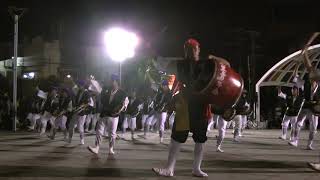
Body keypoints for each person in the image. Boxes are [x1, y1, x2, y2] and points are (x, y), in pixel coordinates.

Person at [152, 38, 212, 177]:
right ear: (184, 51)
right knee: (177, 137)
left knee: (200, 138)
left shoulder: (206, 64)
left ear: (198, 50)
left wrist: (213, 57)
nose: (191, 52)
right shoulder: (179, 64)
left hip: (201, 105)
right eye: (188, 49)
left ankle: (196, 169)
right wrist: (151, 50)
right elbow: (161, 65)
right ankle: (169, 168)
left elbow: (225, 65)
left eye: (194, 49)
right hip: (184, 105)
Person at [87, 74, 128, 156]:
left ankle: (111, 149)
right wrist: (93, 81)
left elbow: (125, 103)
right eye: (111, 81)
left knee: (112, 134)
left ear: (116, 82)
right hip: (104, 113)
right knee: (99, 131)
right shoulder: (106, 89)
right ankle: (96, 148)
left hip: (113, 116)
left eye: (112, 81)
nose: (111, 82)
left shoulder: (123, 93)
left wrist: (120, 110)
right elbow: (98, 90)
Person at [68, 80, 93, 145]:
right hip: (76, 110)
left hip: (82, 112)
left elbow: (90, 103)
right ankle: (70, 138)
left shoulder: (87, 93)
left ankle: (82, 139)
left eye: (80, 86)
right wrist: (75, 106)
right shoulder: (78, 91)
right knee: (71, 125)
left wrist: (83, 105)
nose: (79, 87)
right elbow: (76, 100)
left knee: (80, 127)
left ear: (83, 86)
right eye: (78, 86)